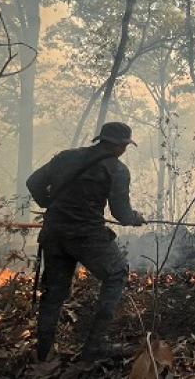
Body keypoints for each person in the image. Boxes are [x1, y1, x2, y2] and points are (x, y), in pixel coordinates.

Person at [27, 122, 146, 361]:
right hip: (87, 236)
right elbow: (121, 213)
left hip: (54, 234)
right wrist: (135, 219)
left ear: (100, 139)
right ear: (121, 146)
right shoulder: (117, 169)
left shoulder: (65, 157)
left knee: (54, 293)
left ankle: (43, 352)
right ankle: (94, 348)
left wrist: (48, 203)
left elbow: (33, 182)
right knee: (116, 274)